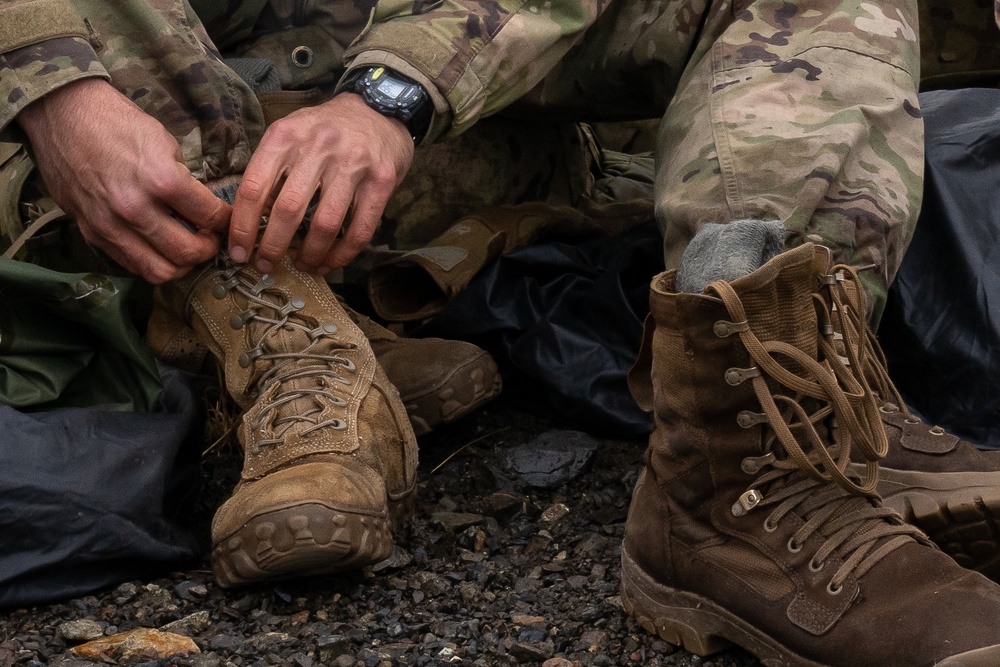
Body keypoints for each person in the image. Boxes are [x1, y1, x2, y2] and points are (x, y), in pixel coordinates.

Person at [4, 0, 1000, 663]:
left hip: (434, 126)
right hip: (113, 160)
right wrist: (44, 82)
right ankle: (294, 357)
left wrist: (392, 92)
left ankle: (761, 428)